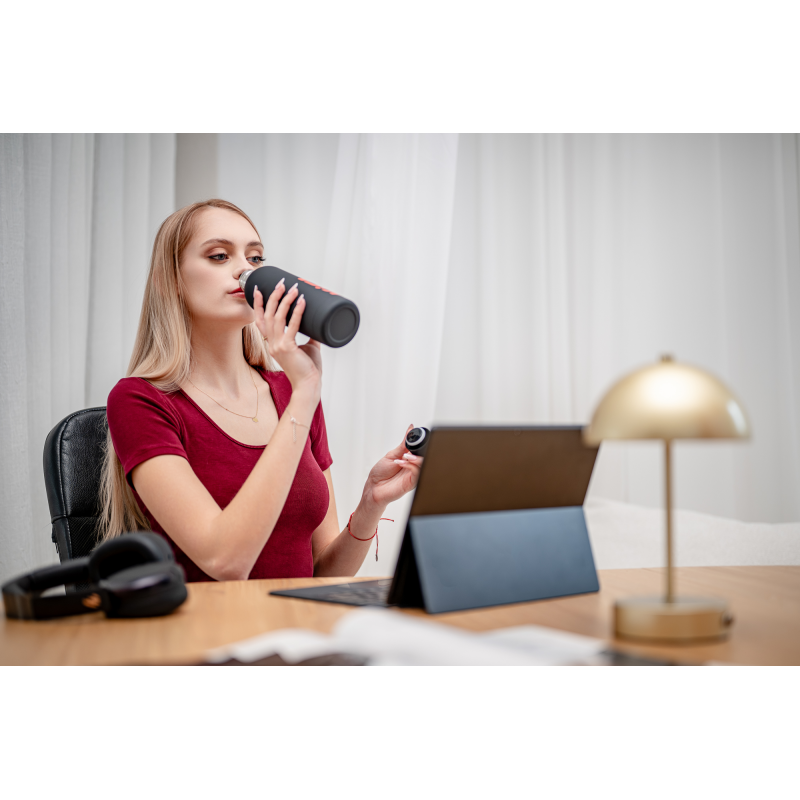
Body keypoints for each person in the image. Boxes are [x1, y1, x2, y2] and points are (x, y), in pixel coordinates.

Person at [100, 199, 421, 581]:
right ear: (169, 280)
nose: (244, 270)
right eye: (219, 256)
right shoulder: (140, 402)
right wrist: (305, 393)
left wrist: (370, 502)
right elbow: (225, 561)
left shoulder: (290, 392)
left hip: (295, 619)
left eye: (255, 258)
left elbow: (322, 575)